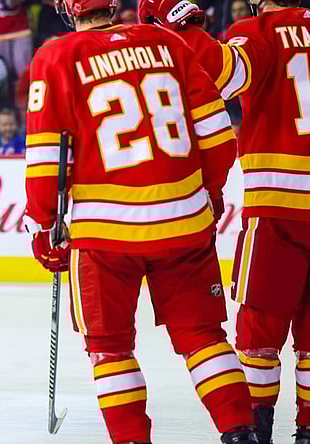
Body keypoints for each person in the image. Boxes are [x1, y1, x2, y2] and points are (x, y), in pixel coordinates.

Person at [24, 0, 257, 442]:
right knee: (205, 338)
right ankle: (240, 432)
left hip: (105, 236)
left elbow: (45, 159)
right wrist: (208, 191)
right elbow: (217, 132)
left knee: (110, 350)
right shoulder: (167, 42)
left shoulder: (56, 55)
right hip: (184, 222)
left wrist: (43, 224)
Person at [217, 0, 310, 442]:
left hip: (277, 207)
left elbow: (219, 78)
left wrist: (185, 30)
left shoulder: (258, 31)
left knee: (260, 329)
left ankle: (258, 429)